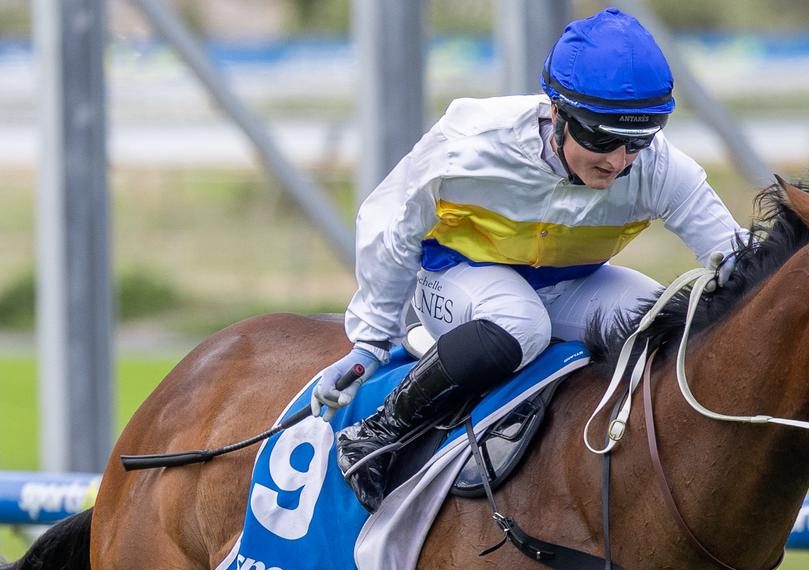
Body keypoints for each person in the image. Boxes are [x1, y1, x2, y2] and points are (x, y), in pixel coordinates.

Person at [308, 7, 746, 512]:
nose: (618, 161)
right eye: (601, 139)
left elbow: (735, 258)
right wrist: (369, 342)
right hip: (457, 276)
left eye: (637, 142)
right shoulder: (469, 145)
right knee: (522, 322)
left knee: (660, 319)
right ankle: (378, 433)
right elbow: (390, 223)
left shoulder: (659, 166)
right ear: (557, 114)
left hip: (569, 284)